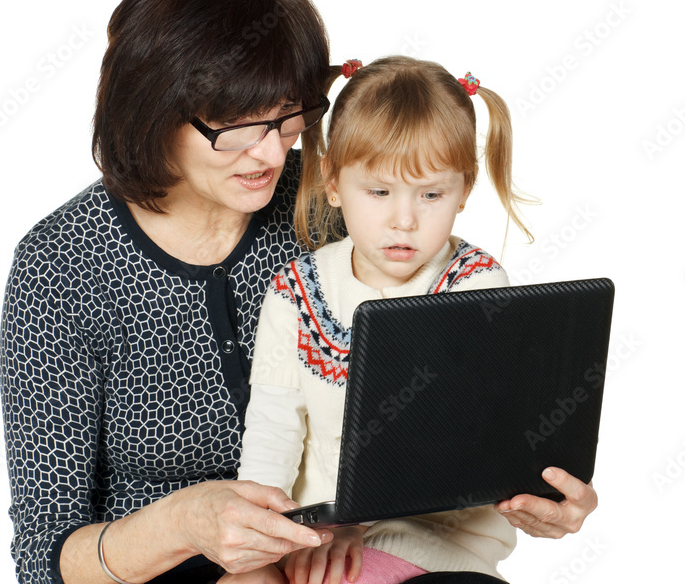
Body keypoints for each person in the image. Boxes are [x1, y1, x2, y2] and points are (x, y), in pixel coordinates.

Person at [0, 0, 597, 584]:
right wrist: (181, 523)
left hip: (349, 556)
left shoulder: (326, 209)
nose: (269, 152)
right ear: (152, 109)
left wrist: (536, 479)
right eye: (235, 125)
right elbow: (43, 560)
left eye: (289, 118)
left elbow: (451, 391)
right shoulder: (63, 265)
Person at [235, 56, 590, 584]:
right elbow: (273, 427)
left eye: (431, 194)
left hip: (434, 548)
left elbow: (445, 443)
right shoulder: (296, 289)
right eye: (379, 192)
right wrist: (259, 540)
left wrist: (356, 525)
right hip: (316, 544)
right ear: (333, 182)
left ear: (464, 191)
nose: (404, 219)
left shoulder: (475, 285)